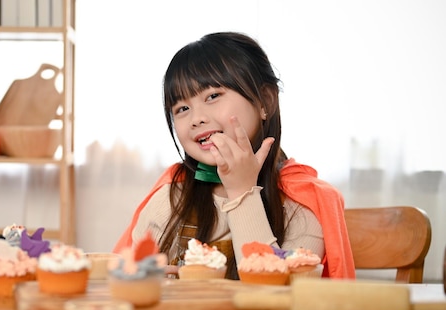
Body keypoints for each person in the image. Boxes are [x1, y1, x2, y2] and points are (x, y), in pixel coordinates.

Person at [113, 32, 355, 279]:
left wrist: (242, 192)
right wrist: (148, 280)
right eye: (182, 108)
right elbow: (129, 282)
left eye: (213, 96)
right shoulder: (170, 199)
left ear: (265, 102)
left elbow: (275, 298)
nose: (197, 118)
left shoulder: (303, 204)